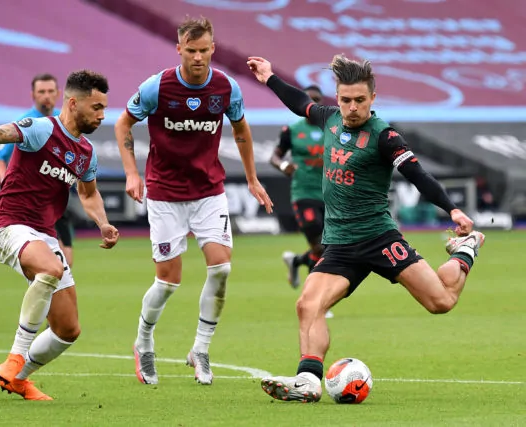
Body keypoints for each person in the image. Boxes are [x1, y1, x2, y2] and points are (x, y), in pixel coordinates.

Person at [247, 54, 485, 402]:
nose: (353, 107)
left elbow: (418, 175)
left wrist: (453, 209)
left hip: (378, 238)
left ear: (373, 97)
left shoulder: (385, 136)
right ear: (337, 98)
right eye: (346, 100)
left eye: (360, 100)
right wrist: (269, 76)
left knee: (441, 302)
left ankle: (465, 250)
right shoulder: (329, 119)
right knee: (307, 305)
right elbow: (299, 103)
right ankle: (308, 381)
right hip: (340, 244)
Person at [114, 16, 273, 386]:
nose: (198, 57)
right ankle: (143, 342)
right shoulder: (157, 87)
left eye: (203, 50)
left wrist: (252, 178)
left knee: (221, 268)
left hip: (208, 192)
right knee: (168, 281)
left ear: (213, 49)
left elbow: (241, 129)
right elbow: (123, 124)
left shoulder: (226, 88)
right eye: (191, 50)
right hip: (165, 194)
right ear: (179, 49)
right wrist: (132, 173)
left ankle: (200, 349)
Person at [0, 70, 119, 400]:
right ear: (73, 103)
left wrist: (103, 223)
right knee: (52, 268)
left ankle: (19, 379)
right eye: (96, 107)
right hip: (9, 225)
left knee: (68, 329)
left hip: (44, 233)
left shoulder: (86, 152)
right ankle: (15, 357)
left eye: (104, 108)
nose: (102, 115)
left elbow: (89, 193)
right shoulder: (42, 129)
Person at [0, 74, 75, 266]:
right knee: (44, 264)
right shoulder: (24, 123)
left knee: (66, 263)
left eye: (50, 91)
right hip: (30, 203)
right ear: (33, 95)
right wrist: (7, 183)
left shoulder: (65, 121)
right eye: (41, 92)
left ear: (58, 94)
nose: (46, 96)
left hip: (56, 201)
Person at [272, 85, 333, 318]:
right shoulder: (292, 130)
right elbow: (274, 156)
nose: (312, 104)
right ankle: (316, 301)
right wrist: (283, 165)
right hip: (304, 193)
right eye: (309, 99)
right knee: (319, 245)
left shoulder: (333, 129)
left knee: (330, 248)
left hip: (331, 195)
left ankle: (296, 261)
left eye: (317, 100)